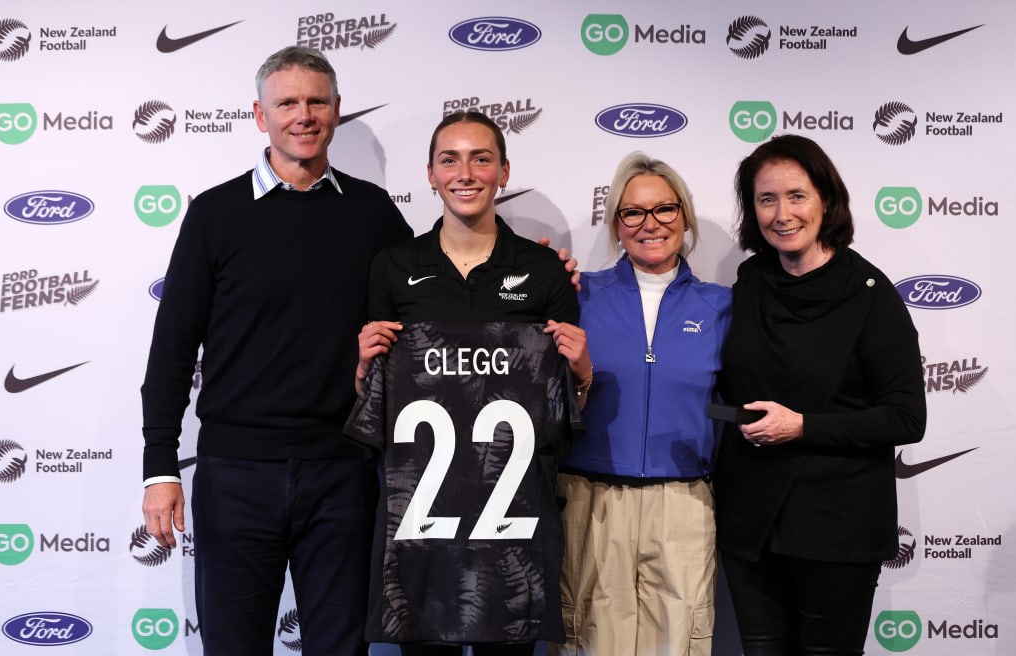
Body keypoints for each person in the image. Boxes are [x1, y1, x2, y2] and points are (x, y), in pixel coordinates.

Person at [139, 46, 414, 656]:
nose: (303, 115)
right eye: (287, 102)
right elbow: (173, 348)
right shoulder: (215, 214)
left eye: (317, 101)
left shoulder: (372, 212)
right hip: (236, 473)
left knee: (340, 648)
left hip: (342, 473)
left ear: (337, 112)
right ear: (260, 117)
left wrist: (528, 272)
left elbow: (436, 296)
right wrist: (160, 465)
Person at [345, 110, 593, 656]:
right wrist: (365, 368)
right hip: (420, 519)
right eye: (449, 159)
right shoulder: (394, 265)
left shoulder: (544, 270)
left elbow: (561, 415)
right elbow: (378, 395)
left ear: (504, 172)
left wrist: (581, 377)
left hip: (514, 518)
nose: (466, 172)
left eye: (481, 159)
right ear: (430, 175)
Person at [714, 134, 927, 655]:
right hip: (751, 527)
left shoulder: (870, 296)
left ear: (826, 200)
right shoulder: (751, 282)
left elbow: (905, 419)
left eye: (796, 195)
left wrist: (802, 425)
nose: (782, 213)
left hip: (838, 531)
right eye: (767, 199)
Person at [551, 152, 732, 656]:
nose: (649, 224)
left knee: (679, 645)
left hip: (685, 503)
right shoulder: (578, 293)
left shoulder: (721, 305)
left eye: (664, 209)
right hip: (592, 497)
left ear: (685, 216)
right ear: (616, 223)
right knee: (589, 642)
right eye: (633, 212)